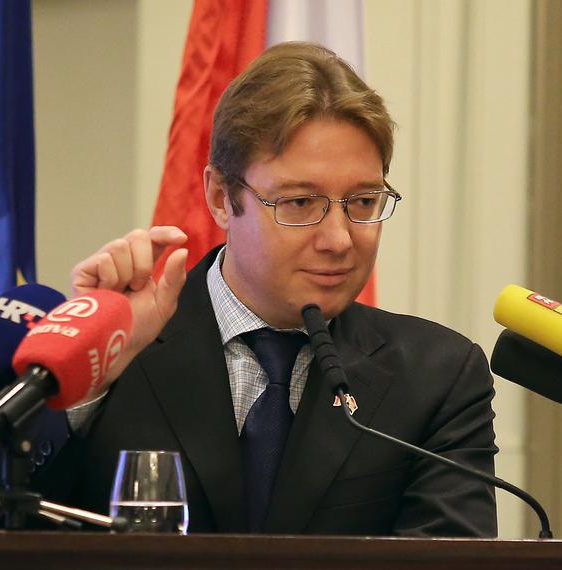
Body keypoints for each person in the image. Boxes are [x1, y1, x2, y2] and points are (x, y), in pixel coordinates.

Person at [34, 42, 498, 536]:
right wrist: (85, 382)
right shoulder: (120, 348)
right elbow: (0, 528)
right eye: (299, 203)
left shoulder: (437, 376)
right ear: (220, 198)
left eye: (363, 202)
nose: (339, 239)